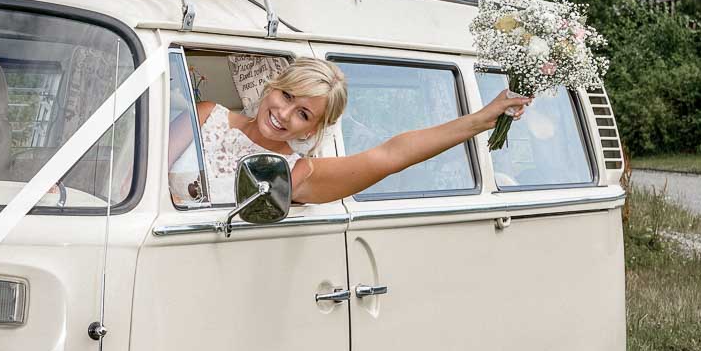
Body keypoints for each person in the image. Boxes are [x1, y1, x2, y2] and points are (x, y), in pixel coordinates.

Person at [179, 58, 532, 205]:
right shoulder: (206, 115)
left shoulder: (296, 171)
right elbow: (127, 176)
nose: (283, 114)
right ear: (272, 86)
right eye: (285, 95)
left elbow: (390, 156)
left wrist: (481, 119)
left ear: (314, 128)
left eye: (302, 113)